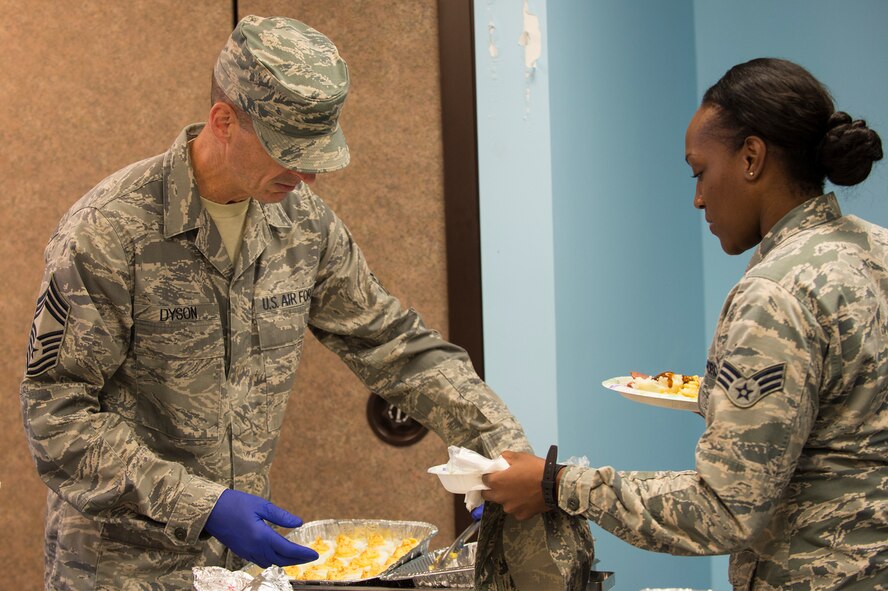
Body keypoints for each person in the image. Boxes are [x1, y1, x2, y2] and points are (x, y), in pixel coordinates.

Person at [19, 15, 593, 591]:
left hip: (238, 571)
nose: (311, 173)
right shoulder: (109, 232)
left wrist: (503, 453)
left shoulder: (301, 224)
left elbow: (394, 344)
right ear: (224, 121)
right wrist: (203, 504)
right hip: (119, 569)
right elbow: (55, 415)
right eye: (290, 150)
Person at [481, 57, 886, 590]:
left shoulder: (774, 293)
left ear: (751, 157)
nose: (697, 198)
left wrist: (558, 485)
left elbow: (725, 509)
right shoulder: (875, 249)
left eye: (700, 172)